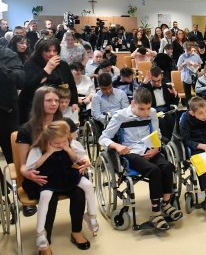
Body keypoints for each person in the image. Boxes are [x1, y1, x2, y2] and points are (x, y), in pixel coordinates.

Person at [16, 87, 90, 254]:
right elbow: (22, 165)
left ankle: (76, 231)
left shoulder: (66, 124)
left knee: (79, 192)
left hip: (62, 171)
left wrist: (85, 161)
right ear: (38, 103)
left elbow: (76, 152)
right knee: (51, 197)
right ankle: (45, 242)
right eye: (49, 100)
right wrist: (27, 173)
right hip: (39, 175)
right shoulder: (26, 130)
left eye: (56, 100)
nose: (54, 103)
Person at [99, 88, 183, 230]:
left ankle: (166, 204)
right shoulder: (120, 116)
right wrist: (117, 146)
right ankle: (155, 213)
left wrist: (156, 148)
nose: (146, 113)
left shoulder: (152, 113)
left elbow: (157, 133)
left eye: (148, 108)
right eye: (141, 109)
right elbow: (103, 138)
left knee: (167, 167)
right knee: (154, 170)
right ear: (133, 103)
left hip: (149, 149)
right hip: (130, 152)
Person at [26, 120, 99, 251]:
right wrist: (48, 152)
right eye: (56, 143)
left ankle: (91, 216)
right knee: (46, 195)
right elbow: (33, 166)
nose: (60, 145)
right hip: (48, 177)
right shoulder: (40, 147)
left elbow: (75, 158)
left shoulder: (69, 144)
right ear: (48, 140)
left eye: (63, 142)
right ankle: (40, 233)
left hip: (66, 175)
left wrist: (68, 148)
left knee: (87, 185)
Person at [19, 38, 78, 123]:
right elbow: (29, 87)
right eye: (48, 51)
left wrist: (74, 102)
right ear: (40, 52)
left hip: (55, 107)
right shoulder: (30, 64)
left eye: (55, 51)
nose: (52, 54)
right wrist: (47, 69)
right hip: (33, 108)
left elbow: (71, 85)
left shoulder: (63, 65)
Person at [0, 42, 24, 176]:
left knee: (14, 160)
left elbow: (21, 80)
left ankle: (19, 189)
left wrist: (2, 69)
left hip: (6, 115)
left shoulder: (8, 54)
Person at [177, 42, 202, 106]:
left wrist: (198, 65)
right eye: (187, 51)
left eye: (190, 50)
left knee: (198, 92)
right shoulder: (182, 56)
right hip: (186, 77)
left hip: (195, 76)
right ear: (184, 49)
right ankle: (189, 109)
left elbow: (201, 65)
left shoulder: (196, 55)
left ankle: (198, 107)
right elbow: (178, 69)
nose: (189, 52)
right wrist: (184, 64)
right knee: (188, 95)